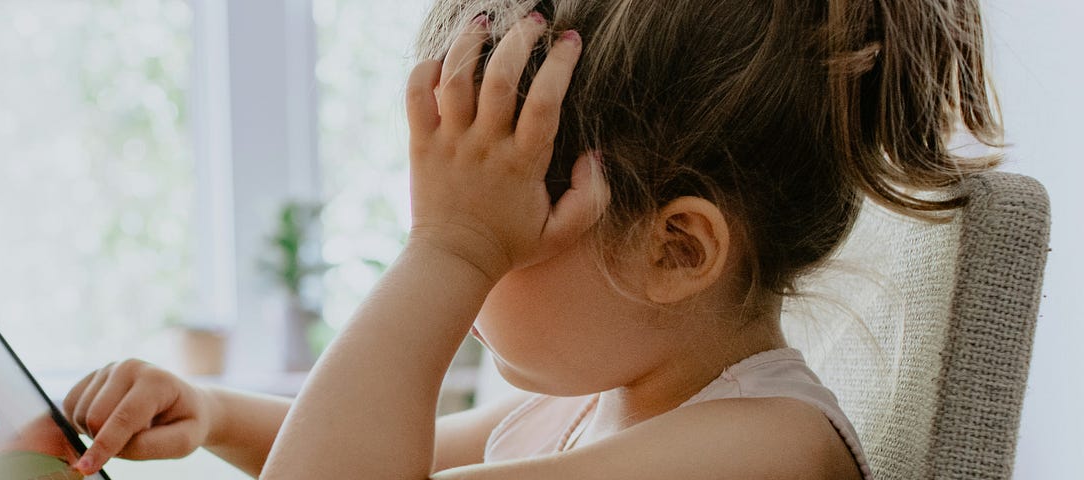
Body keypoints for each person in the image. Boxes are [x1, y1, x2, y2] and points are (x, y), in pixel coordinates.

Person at [63, 0, 999, 477]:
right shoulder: (609, 402)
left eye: (500, 231)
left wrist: (449, 254)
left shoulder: (765, 449)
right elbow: (396, 449)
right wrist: (214, 413)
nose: (455, 275)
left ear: (675, 251)